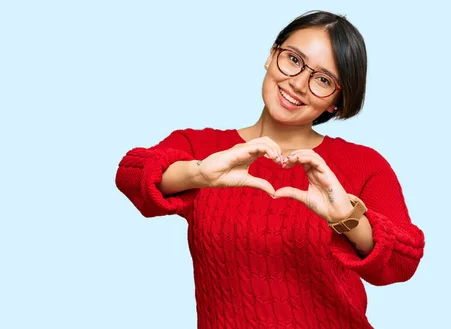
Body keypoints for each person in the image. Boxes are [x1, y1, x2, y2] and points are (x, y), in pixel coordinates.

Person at [115, 10, 425, 329]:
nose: (298, 83)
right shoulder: (199, 147)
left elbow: (403, 260)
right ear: (271, 55)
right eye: (293, 59)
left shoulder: (363, 164)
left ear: (337, 101)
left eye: (322, 80)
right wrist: (198, 175)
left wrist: (344, 217)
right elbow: (130, 173)